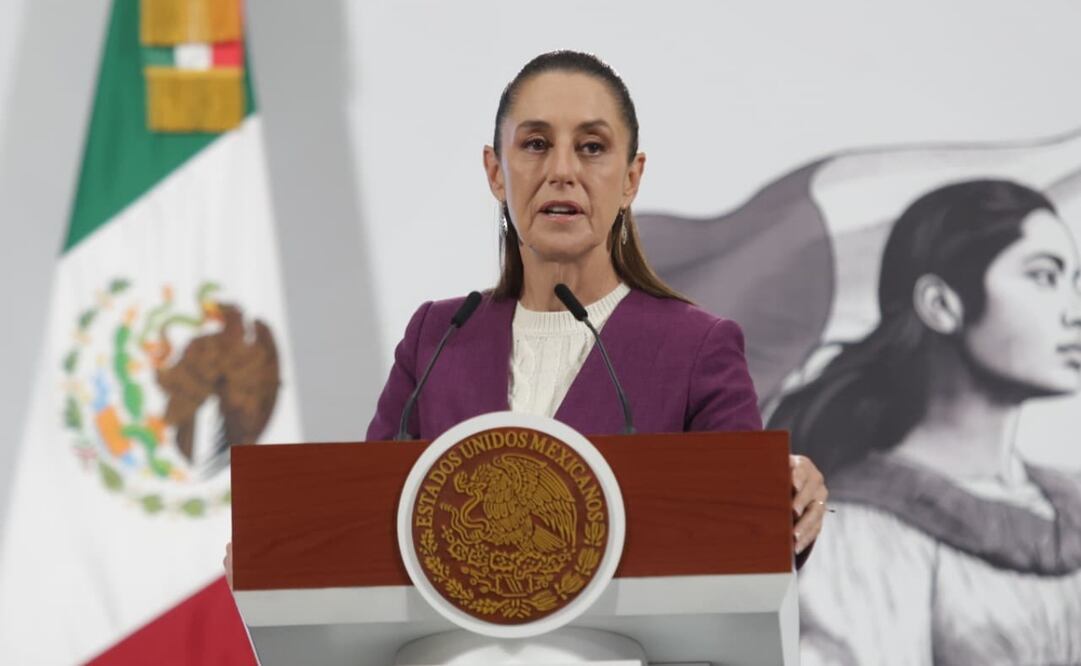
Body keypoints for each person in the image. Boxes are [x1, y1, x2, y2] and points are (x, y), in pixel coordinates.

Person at [225, 51, 827, 586]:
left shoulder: (696, 347)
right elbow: (367, 525)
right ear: (496, 172)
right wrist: (279, 559)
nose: (562, 170)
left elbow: (747, 540)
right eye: (536, 144)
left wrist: (789, 497)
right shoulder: (437, 338)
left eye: (591, 147)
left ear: (631, 178)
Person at [768, 179, 1081, 664]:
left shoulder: (1067, 498)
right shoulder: (862, 529)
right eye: (1043, 276)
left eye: (1075, 281)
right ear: (940, 304)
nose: (1074, 311)